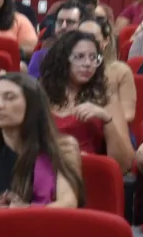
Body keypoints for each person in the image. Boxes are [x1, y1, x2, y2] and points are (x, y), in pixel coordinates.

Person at [0, 73, 83, 218]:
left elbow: (68, 204)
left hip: (47, 226)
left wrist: (23, 210)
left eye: (9, 98)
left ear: (33, 104)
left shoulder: (64, 147)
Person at [38, 30, 133, 173]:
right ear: (62, 59)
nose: (88, 63)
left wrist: (106, 119)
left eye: (93, 58)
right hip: (45, 171)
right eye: (79, 57)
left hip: (89, 174)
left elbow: (125, 164)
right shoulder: (40, 96)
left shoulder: (106, 99)